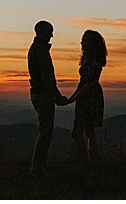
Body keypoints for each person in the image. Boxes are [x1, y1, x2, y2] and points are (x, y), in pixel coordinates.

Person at [28, 20, 69, 173]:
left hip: (37, 94)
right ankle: (37, 168)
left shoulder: (35, 49)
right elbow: (48, 79)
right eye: (50, 31)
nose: (52, 35)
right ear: (43, 32)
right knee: (46, 133)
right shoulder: (41, 51)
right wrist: (58, 97)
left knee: (44, 131)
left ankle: (39, 166)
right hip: (43, 95)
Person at [67, 29, 106, 167]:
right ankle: (92, 163)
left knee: (77, 132)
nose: (82, 42)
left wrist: (74, 98)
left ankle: (87, 163)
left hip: (89, 97)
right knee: (90, 131)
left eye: (85, 39)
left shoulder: (92, 61)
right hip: (90, 96)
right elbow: (84, 83)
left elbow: (88, 84)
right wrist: (73, 97)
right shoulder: (91, 59)